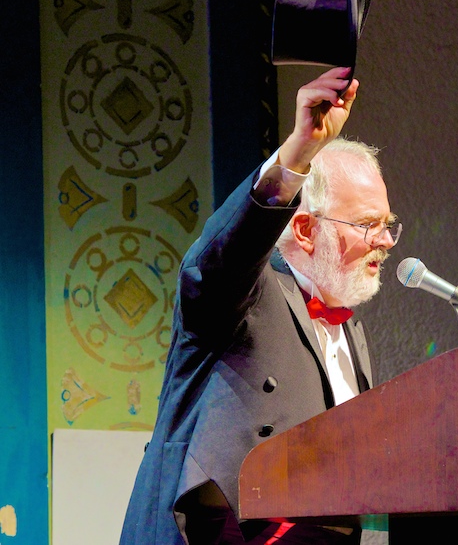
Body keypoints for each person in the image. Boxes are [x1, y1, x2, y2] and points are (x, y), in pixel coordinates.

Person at [120, 67, 400, 544]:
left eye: (389, 224)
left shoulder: (351, 333)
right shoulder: (246, 293)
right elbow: (215, 264)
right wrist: (299, 152)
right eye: (368, 225)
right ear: (307, 231)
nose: (386, 242)